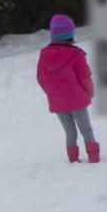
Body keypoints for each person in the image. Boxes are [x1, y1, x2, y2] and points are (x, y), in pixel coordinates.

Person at [36, 14, 100, 163]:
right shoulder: (76, 55)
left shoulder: (44, 54)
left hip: (58, 102)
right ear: (70, 34)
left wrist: (52, 93)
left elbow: (40, 78)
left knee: (70, 133)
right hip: (77, 100)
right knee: (87, 130)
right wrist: (90, 92)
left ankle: (73, 160)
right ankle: (94, 159)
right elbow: (85, 77)